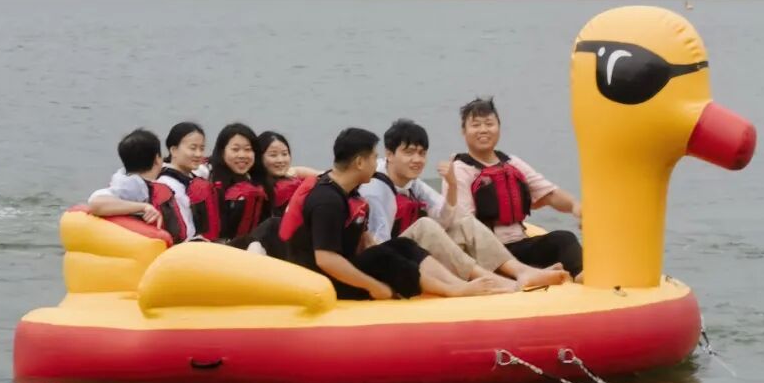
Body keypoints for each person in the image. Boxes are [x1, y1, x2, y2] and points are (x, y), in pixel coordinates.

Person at [245, 128, 515, 300]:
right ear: (359, 162)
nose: (378, 163)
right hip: (323, 282)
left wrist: (383, 248)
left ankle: (457, 285)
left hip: (341, 269)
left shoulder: (347, 190)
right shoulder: (326, 200)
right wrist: (372, 285)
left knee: (401, 245)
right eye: (374, 158)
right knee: (384, 258)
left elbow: (362, 239)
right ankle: (454, 291)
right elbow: (326, 259)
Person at [360, 119, 569, 289]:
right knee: (425, 226)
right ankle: (494, 281)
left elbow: (446, 218)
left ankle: (522, 271)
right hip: (388, 264)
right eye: (409, 152)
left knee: (462, 220)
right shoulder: (376, 190)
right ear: (389, 154)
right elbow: (379, 249)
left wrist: (451, 185)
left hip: (409, 253)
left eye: (422, 153)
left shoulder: (411, 182)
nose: (417, 159)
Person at [448, 97, 583, 278]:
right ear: (463, 131)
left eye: (489, 124)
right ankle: (534, 274)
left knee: (564, 239)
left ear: (498, 128)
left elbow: (550, 194)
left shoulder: (512, 163)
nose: (483, 130)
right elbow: (465, 226)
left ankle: (580, 276)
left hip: (520, 246)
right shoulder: (459, 170)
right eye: (476, 125)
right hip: (489, 253)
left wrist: (575, 206)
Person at [87, 128, 189, 242]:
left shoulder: (129, 178)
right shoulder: (134, 185)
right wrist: (143, 207)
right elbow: (95, 203)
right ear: (157, 159)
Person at [203, 123, 272, 242]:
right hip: (213, 247)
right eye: (235, 149)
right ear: (222, 151)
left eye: (248, 150)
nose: (242, 155)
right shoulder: (206, 176)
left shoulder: (259, 181)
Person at [156, 122, 206, 239]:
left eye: (202, 148)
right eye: (193, 148)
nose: (198, 154)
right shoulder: (165, 185)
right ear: (174, 150)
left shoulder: (197, 175)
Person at [258, 130, 320, 215]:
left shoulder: (290, 174)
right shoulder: (285, 187)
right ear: (259, 157)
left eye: (284, 154)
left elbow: (297, 171)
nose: (280, 160)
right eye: (273, 155)